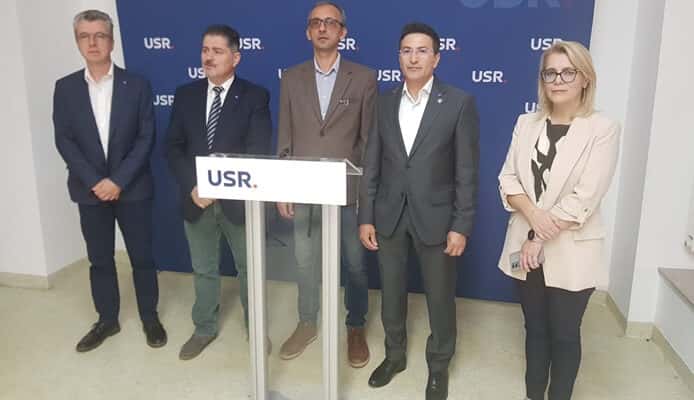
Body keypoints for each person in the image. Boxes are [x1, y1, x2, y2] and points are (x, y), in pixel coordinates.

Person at [358, 22, 480, 400]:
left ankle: (438, 366)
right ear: (399, 56)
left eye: (422, 51)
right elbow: (371, 162)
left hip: (438, 219)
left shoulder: (458, 102)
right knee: (391, 293)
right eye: (407, 50)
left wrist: (461, 224)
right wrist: (366, 215)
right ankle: (394, 356)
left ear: (436, 58)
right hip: (389, 214)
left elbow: (466, 170)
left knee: (440, 298)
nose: (413, 58)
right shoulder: (383, 102)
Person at [497, 41, 620, 400]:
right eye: (550, 73)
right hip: (522, 244)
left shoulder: (603, 128)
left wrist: (538, 237)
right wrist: (533, 219)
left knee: (565, 334)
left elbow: (587, 195)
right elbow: (507, 179)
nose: (558, 80)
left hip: (572, 249)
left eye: (568, 72)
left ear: (585, 78)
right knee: (534, 329)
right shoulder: (526, 123)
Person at [53, 9, 166, 352]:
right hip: (89, 191)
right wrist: (96, 181)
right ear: (77, 42)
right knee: (100, 259)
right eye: (85, 36)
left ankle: (149, 317)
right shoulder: (65, 88)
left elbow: (146, 137)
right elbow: (65, 140)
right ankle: (107, 320)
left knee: (142, 257)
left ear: (111, 41)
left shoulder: (138, 84)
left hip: (133, 188)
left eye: (99, 35)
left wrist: (117, 180)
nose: (93, 42)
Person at [275, 1, 377, 368]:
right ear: (308, 31)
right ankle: (307, 322)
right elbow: (285, 136)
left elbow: (368, 141)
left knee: (355, 264)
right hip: (303, 189)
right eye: (316, 22)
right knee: (304, 262)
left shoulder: (364, 78)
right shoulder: (291, 77)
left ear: (342, 32)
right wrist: (283, 187)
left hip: (347, 192)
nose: (322, 28)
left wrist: (364, 195)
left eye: (330, 23)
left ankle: (355, 326)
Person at [165, 24, 272, 360]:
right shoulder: (185, 95)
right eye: (205, 50)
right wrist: (193, 186)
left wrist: (220, 184)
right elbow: (173, 147)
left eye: (217, 51)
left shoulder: (255, 96)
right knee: (204, 268)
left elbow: (257, 150)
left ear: (235, 57)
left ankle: (256, 328)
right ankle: (204, 328)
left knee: (249, 269)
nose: (208, 57)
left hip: (238, 201)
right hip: (196, 199)